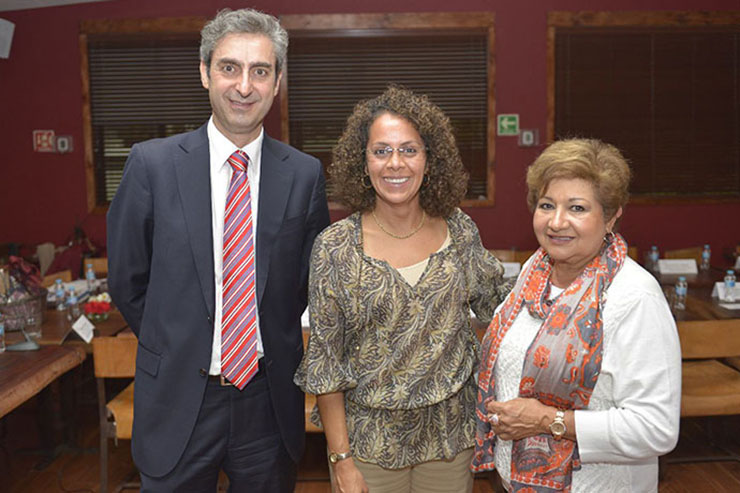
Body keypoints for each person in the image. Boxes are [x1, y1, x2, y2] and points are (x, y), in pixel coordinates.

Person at [107, 8, 330, 492]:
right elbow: (128, 280)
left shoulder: (304, 174)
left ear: (277, 82)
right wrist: (176, 340)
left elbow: (300, 287)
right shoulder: (152, 165)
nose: (244, 86)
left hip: (266, 404)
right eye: (230, 67)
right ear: (205, 72)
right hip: (176, 400)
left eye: (260, 71)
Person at [294, 86, 510, 493]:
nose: (396, 163)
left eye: (409, 150)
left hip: (449, 441)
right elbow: (326, 363)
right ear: (364, 162)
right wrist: (341, 460)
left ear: (430, 160)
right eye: (381, 151)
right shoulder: (335, 247)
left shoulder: (459, 230)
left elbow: (498, 305)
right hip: (368, 447)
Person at [473, 138, 681, 492]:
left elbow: (656, 428)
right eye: (546, 205)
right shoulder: (533, 274)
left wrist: (548, 421)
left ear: (612, 214)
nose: (557, 222)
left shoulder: (634, 297)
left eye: (578, 208)